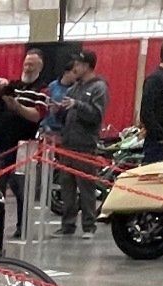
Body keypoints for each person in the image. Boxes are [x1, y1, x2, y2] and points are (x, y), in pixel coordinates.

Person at [0, 49, 49, 240]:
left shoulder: (42, 90)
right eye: (26, 63)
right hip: (4, 143)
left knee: (22, 189)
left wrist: (17, 106)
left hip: (24, 146)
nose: (27, 67)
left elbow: (36, 115)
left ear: (40, 67)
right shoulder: (14, 85)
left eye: (31, 64)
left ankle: (22, 226)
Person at [56, 49, 110, 237]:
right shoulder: (74, 88)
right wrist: (58, 110)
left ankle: (89, 226)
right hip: (68, 145)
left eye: (78, 64)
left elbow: (96, 116)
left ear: (87, 66)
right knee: (67, 187)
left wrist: (77, 105)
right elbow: (65, 116)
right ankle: (67, 225)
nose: (75, 68)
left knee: (86, 188)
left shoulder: (99, 88)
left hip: (85, 146)